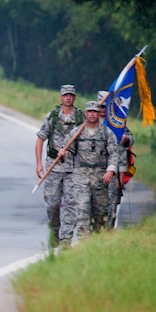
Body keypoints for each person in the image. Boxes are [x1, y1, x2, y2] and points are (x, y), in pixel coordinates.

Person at [59, 100, 119, 243]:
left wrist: (111, 170)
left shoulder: (106, 133)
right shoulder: (76, 132)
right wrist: (62, 154)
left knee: (100, 214)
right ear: (86, 113)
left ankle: (97, 242)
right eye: (90, 112)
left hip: (100, 177)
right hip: (81, 175)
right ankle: (83, 243)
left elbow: (114, 154)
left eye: (95, 112)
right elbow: (68, 152)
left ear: (99, 113)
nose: (92, 114)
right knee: (83, 210)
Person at [35, 85, 84, 246]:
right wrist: (39, 164)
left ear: (74, 97)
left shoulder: (80, 118)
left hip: (73, 169)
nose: (68, 98)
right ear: (61, 97)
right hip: (53, 168)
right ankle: (55, 230)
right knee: (52, 204)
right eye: (65, 95)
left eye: (71, 95)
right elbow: (40, 139)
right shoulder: (53, 116)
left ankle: (66, 239)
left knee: (71, 204)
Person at [98, 90, 134, 229]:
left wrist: (126, 139)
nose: (102, 110)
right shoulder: (90, 121)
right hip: (94, 171)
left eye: (105, 106)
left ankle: (108, 233)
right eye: (101, 106)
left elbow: (130, 141)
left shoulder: (117, 123)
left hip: (113, 172)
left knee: (111, 205)